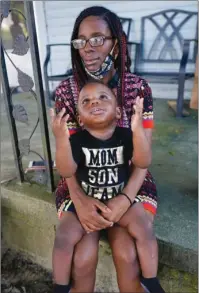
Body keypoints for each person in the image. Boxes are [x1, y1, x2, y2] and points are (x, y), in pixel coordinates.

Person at [51, 5, 164, 293]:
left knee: (127, 254)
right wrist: (81, 200)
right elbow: (67, 159)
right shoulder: (66, 91)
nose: (87, 48)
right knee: (83, 257)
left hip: (131, 180)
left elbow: (143, 158)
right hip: (81, 182)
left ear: (117, 43)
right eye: (81, 41)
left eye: (98, 38)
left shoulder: (138, 88)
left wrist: (125, 199)